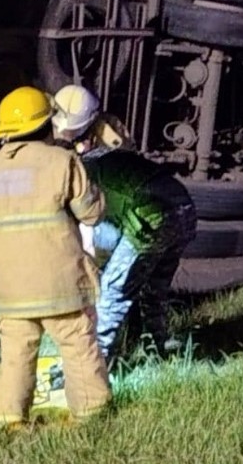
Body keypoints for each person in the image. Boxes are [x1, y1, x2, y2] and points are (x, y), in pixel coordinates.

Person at [0, 86, 111, 427]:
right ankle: (93, 419)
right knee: (78, 347)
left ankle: (6, 422)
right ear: (47, 124)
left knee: (15, 357)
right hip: (62, 288)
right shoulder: (62, 162)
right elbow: (92, 214)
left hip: (12, 290)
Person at [52, 84, 196, 362]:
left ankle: (96, 363)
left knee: (113, 292)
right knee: (154, 288)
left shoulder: (79, 169)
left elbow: (89, 230)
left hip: (150, 216)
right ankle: (159, 345)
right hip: (183, 208)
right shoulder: (109, 144)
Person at [51, 83, 134, 152]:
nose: (62, 133)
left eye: (71, 131)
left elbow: (122, 157)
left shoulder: (108, 134)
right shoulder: (57, 115)